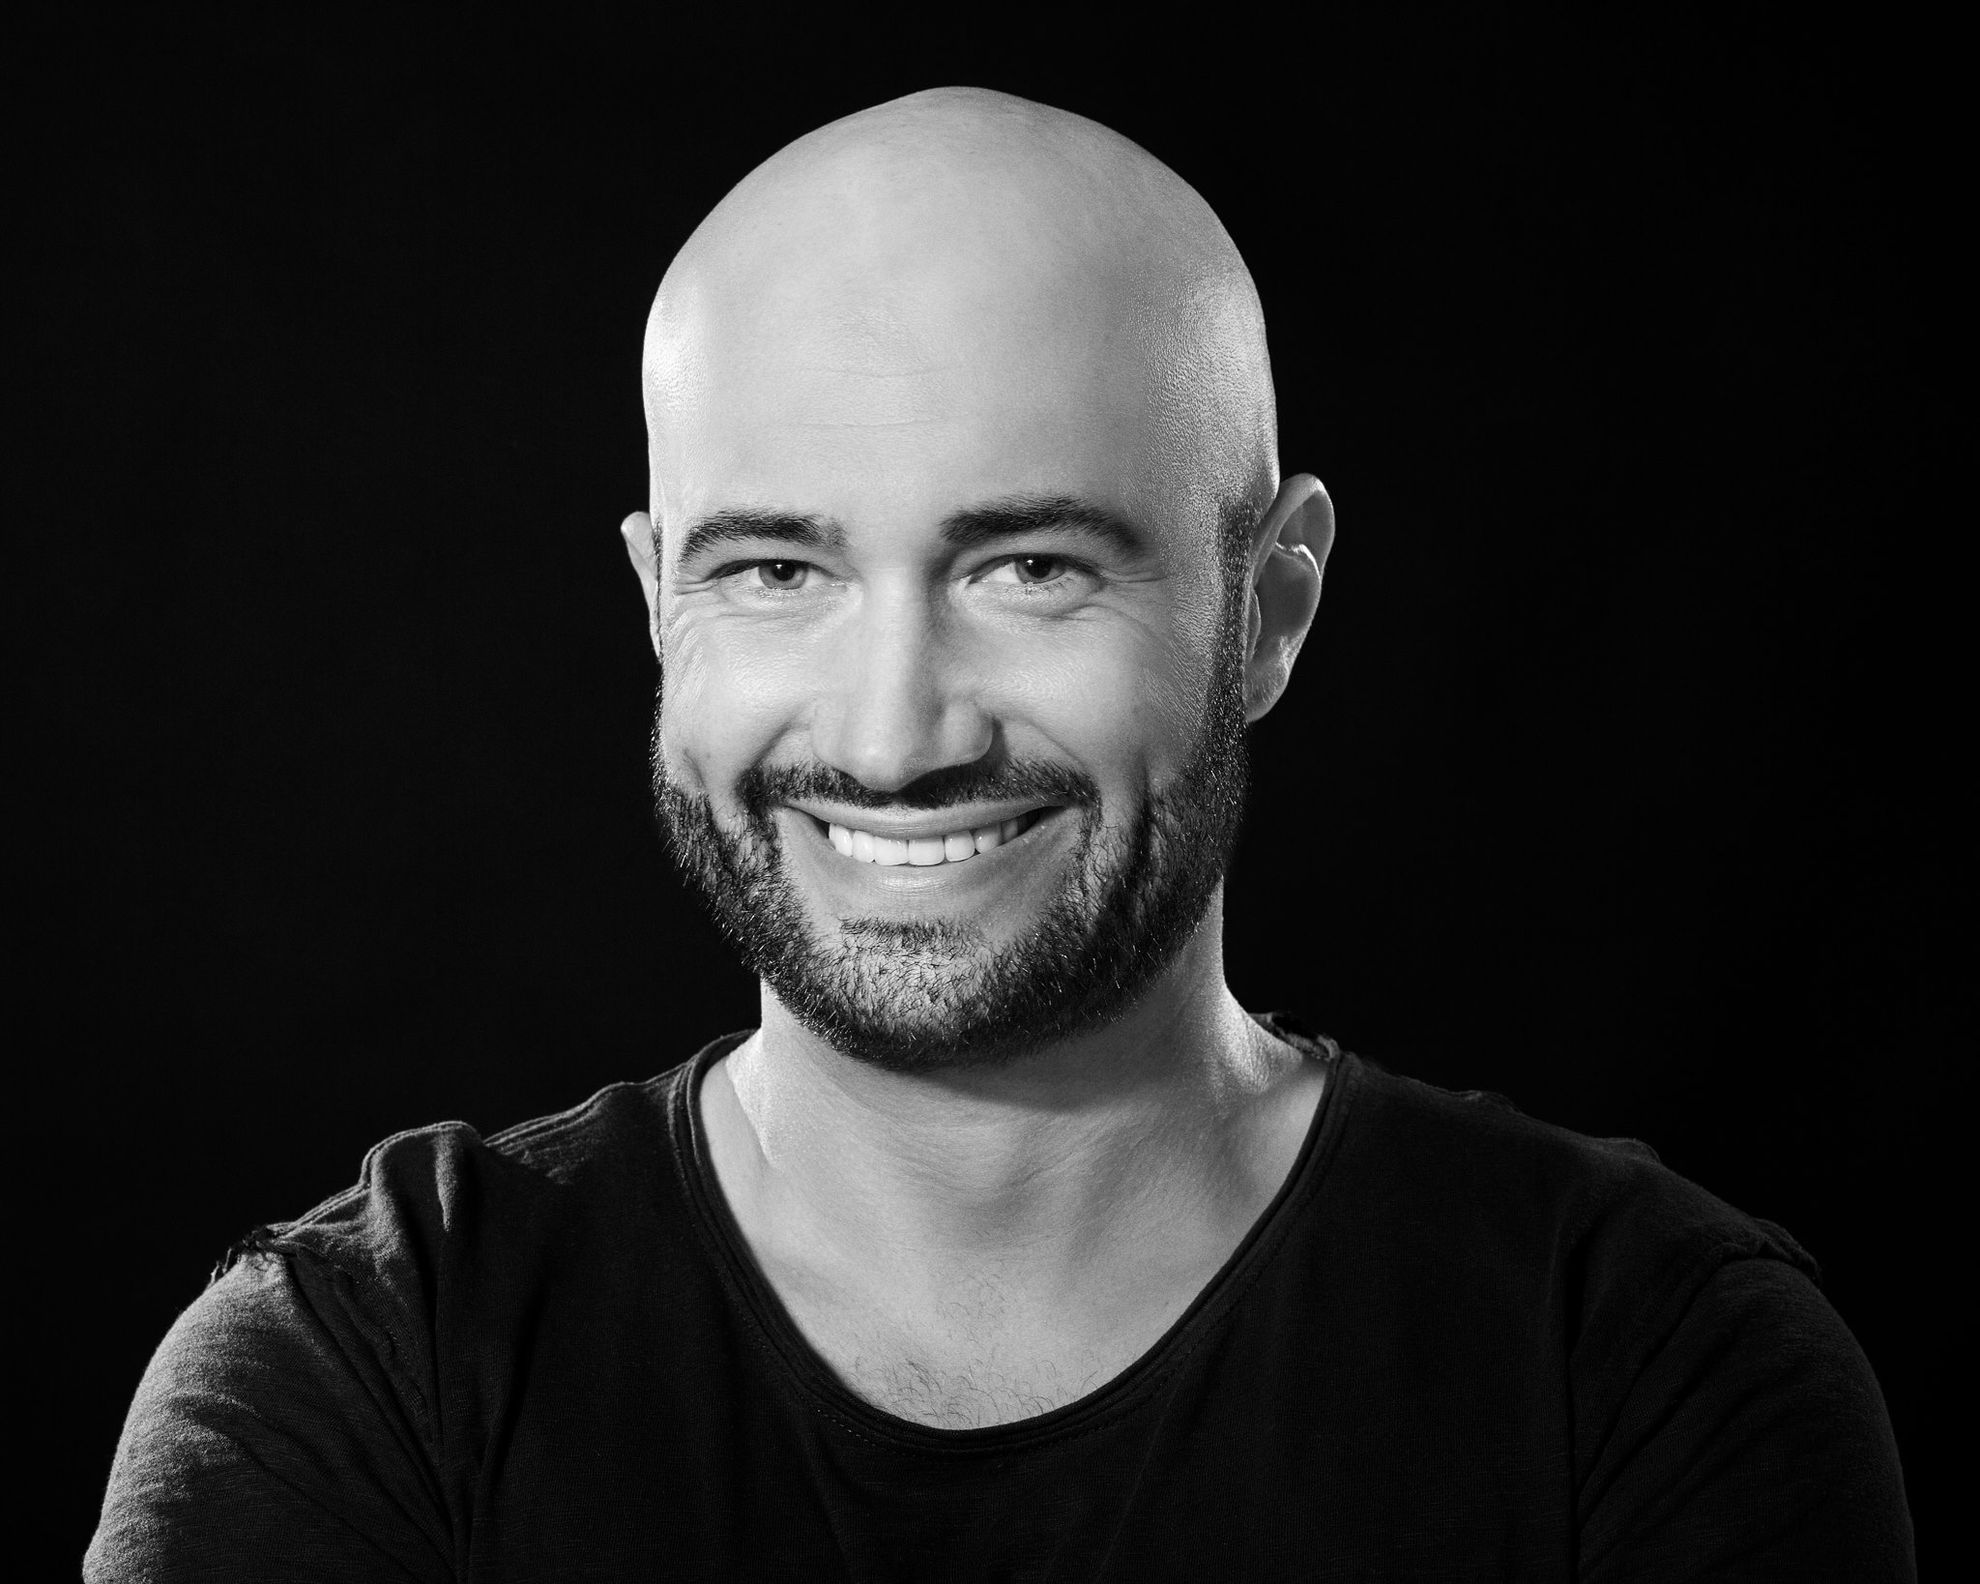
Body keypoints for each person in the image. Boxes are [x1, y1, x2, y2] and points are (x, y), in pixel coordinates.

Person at [87, 87, 1915, 1580]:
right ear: (656, 604)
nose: (894, 737)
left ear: (1269, 606)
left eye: (1029, 567)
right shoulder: (363, 1379)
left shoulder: (1646, 1369)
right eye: (776, 570)